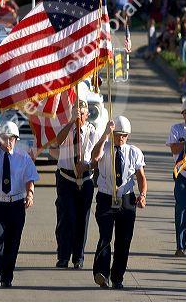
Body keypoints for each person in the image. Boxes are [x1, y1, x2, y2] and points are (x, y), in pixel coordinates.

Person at [0, 121, 39, 287]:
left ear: (16, 139)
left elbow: (30, 177)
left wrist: (30, 194)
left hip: (16, 204)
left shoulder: (23, 157)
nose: (9, 141)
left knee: (12, 242)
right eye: (5, 138)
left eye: (12, 138)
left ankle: (6, 276)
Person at [91, 116, 147, 289]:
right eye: (117, 134)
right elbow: (94, 158)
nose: (120, 138)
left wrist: (143, 194)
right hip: (106, 197)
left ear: (128, 136)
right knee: (105, 236)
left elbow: (141, 177)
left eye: (124, 135)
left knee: (124, 241)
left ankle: (118, 277)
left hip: (127, 199)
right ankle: (102, 273)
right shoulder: (105, 147)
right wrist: (105, 135)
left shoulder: (134, 152)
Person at [53, 100, 99, 269]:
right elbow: (58, 141)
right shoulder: (65, 128)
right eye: (76, 112)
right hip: (66, 177)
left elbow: (96, 154)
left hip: (85, 178)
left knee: (82, 219)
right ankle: (63, 256)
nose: (79, 115)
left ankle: (78, 257)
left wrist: (87, 166)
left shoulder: (91, 130)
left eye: (82, 113)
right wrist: (72, 122)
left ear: (87, 115)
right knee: (67, 217)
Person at [166, 98, 186, 256]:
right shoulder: (177, 128)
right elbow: (174, 148)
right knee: (182, 212)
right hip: (183, 175)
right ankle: (180, 246)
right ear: (183, 114)